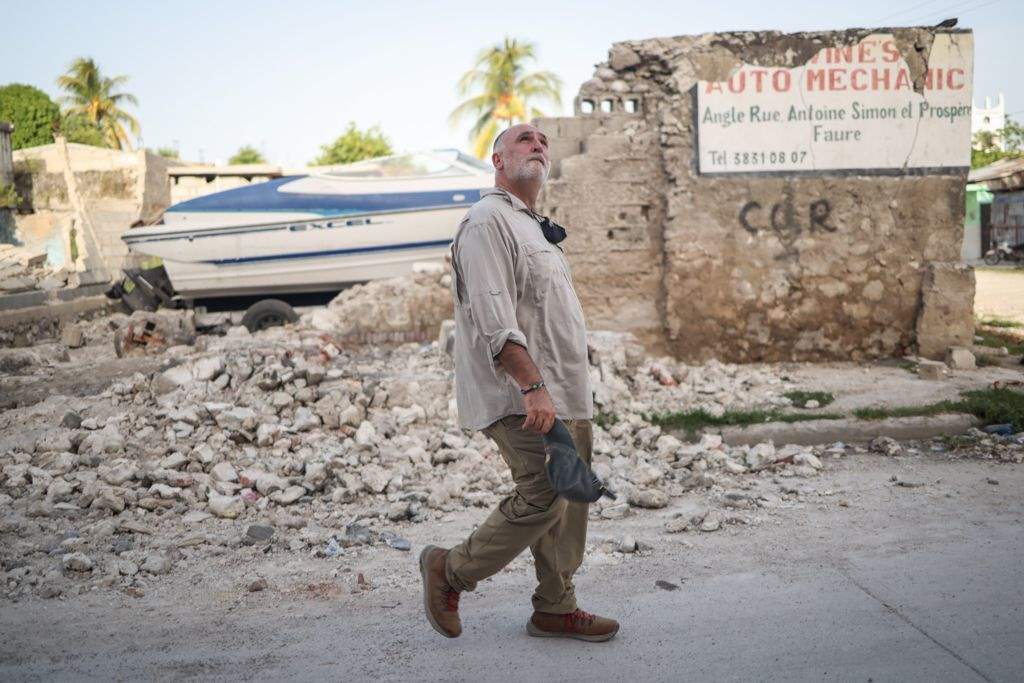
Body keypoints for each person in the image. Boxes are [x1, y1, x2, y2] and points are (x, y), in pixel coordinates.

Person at [418, 123, 619, 642]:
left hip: (565, 389)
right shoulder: (488, 221)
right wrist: (532, 387)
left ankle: (555, 607)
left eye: (543, 141)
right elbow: (493, 316)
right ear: (498, 159)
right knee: (543, 495)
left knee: (567, 498)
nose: (538, 144)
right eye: (524, 139)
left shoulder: (533, 225)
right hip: (522, 392)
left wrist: (562, 387)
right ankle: (450, 569)